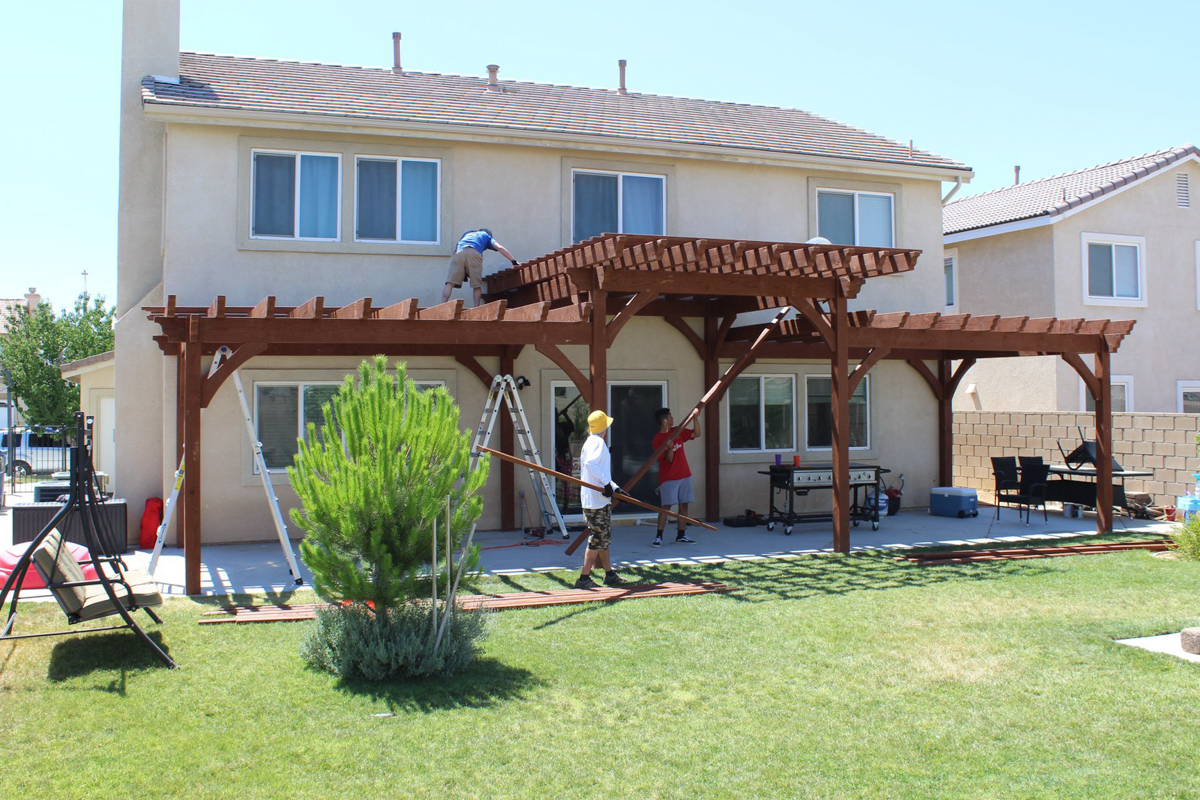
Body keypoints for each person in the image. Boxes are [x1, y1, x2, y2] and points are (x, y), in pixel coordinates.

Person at [576, 410, 627, 589]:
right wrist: (606, 484)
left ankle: (609, 574)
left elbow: (600, 471)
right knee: (597, 537)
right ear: (603, 427)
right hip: (596, 502)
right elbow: (591, 464)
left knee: (603, 538)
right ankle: (583, 578)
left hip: (596, 500)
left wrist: (614, 487)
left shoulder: (590, 442)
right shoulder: (597, 442)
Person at [651, 408, 700, 547]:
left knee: (684, 505)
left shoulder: (676, 431)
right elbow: (669, 460)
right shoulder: (658, 439)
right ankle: (658, 536)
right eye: (670, 416)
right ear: (665, 420)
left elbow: (696, 433)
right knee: (666, 507)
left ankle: (681, 534)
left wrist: (695, 418)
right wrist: (670, 448)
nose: (673, 418)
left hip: (685, 474)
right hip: (669, 478)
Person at [442, 228, 519, 308]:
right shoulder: (487, 236)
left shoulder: (467, 233)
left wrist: (463, 268)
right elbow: (499, 248)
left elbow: (456, 250)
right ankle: (476, 308)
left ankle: (442, 305)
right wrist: (513, 261)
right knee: (477, 285)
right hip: (475, 252)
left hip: (459, 252)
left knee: (450, 282)